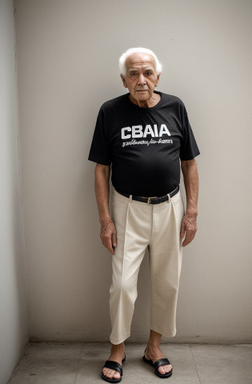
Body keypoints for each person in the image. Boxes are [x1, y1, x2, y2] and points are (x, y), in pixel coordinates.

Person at [88, 47, 199, 383]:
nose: (141, 80)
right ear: (124, 80)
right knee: (122, 285)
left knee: (167, 282)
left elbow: (189, 163)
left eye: (147, 73)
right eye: (133, 74)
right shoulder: (110, 112)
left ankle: (154, 347)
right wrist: (105, 218)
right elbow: (100, 170)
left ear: (158, 76)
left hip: (170, 206)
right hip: (127, 207)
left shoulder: (175, 106)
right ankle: (117, 349)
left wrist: (191, 211)